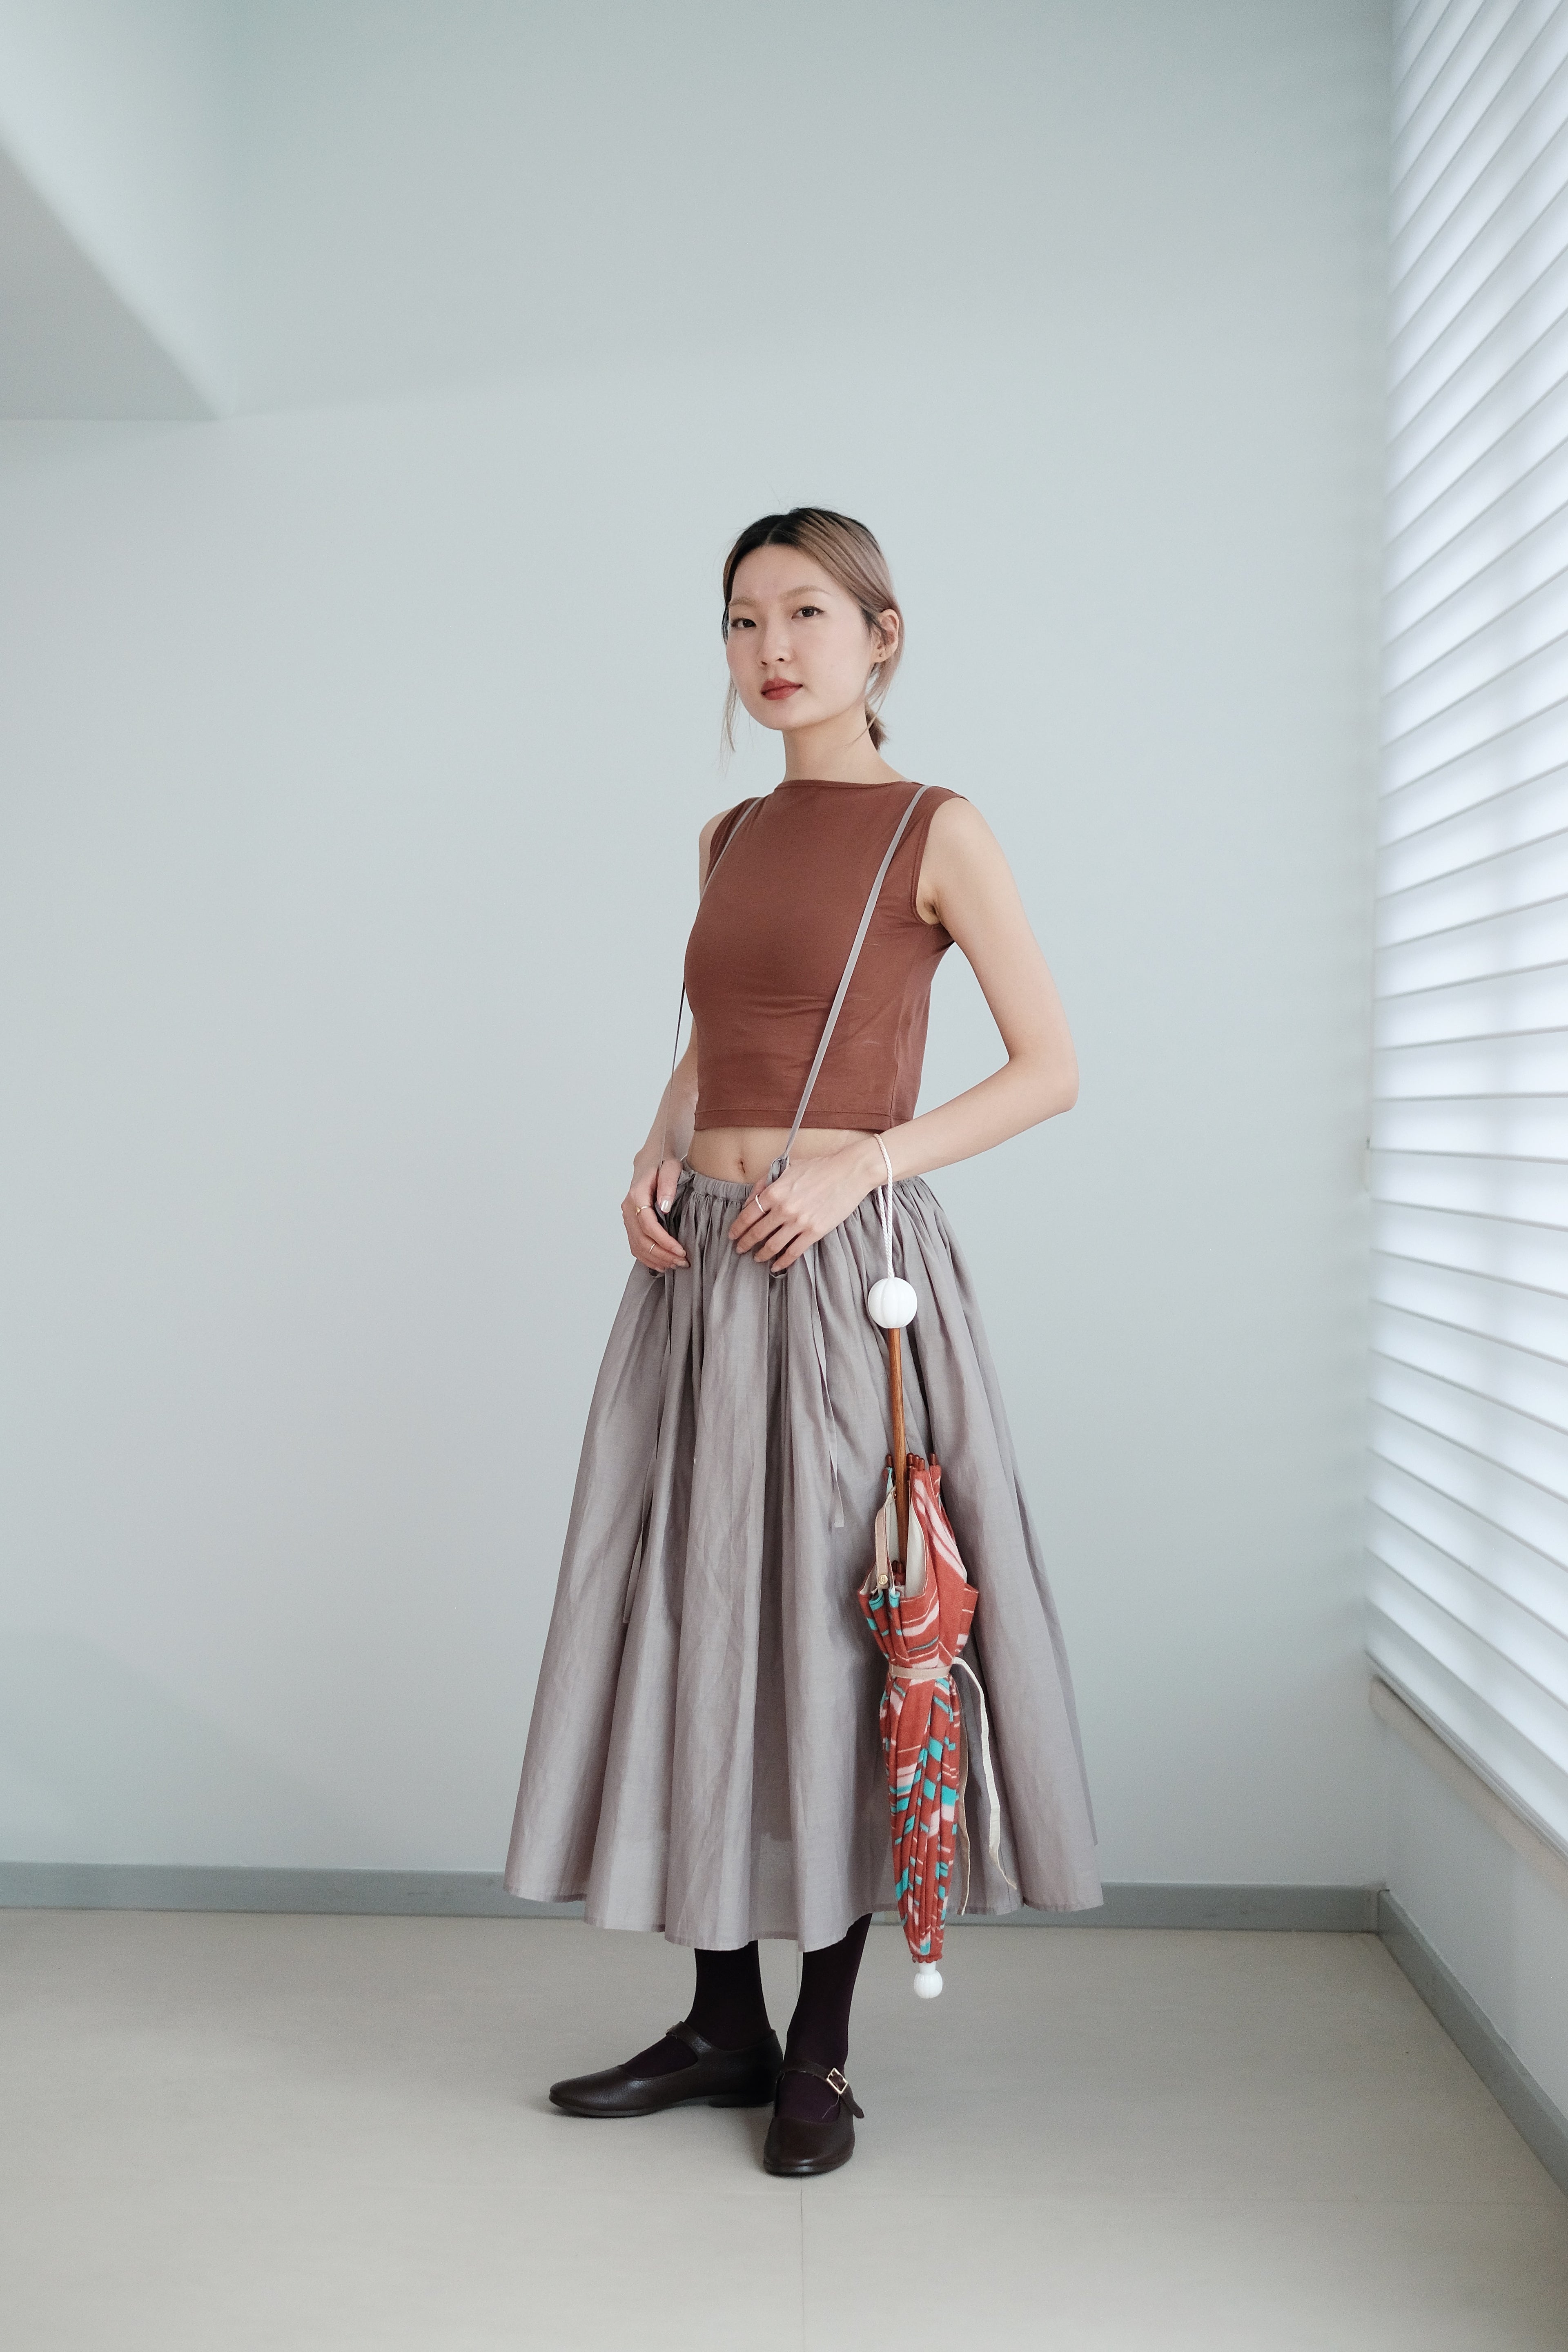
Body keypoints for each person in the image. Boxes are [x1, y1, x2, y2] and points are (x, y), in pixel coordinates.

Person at [505, 507, 1099, 2177]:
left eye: (809, 613)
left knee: (843, 1627)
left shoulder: (936, 826)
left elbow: (1050, 1069)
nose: (772, 647)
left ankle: (820, 2050)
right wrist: (651, 1155)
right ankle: (722, 2023)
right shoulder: (730, 834)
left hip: (844, 1279)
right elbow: (717, 1043)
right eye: (743, 619)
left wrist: (862, 1169)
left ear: (881, 636)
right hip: (703, 1271)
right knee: (702, 1615)